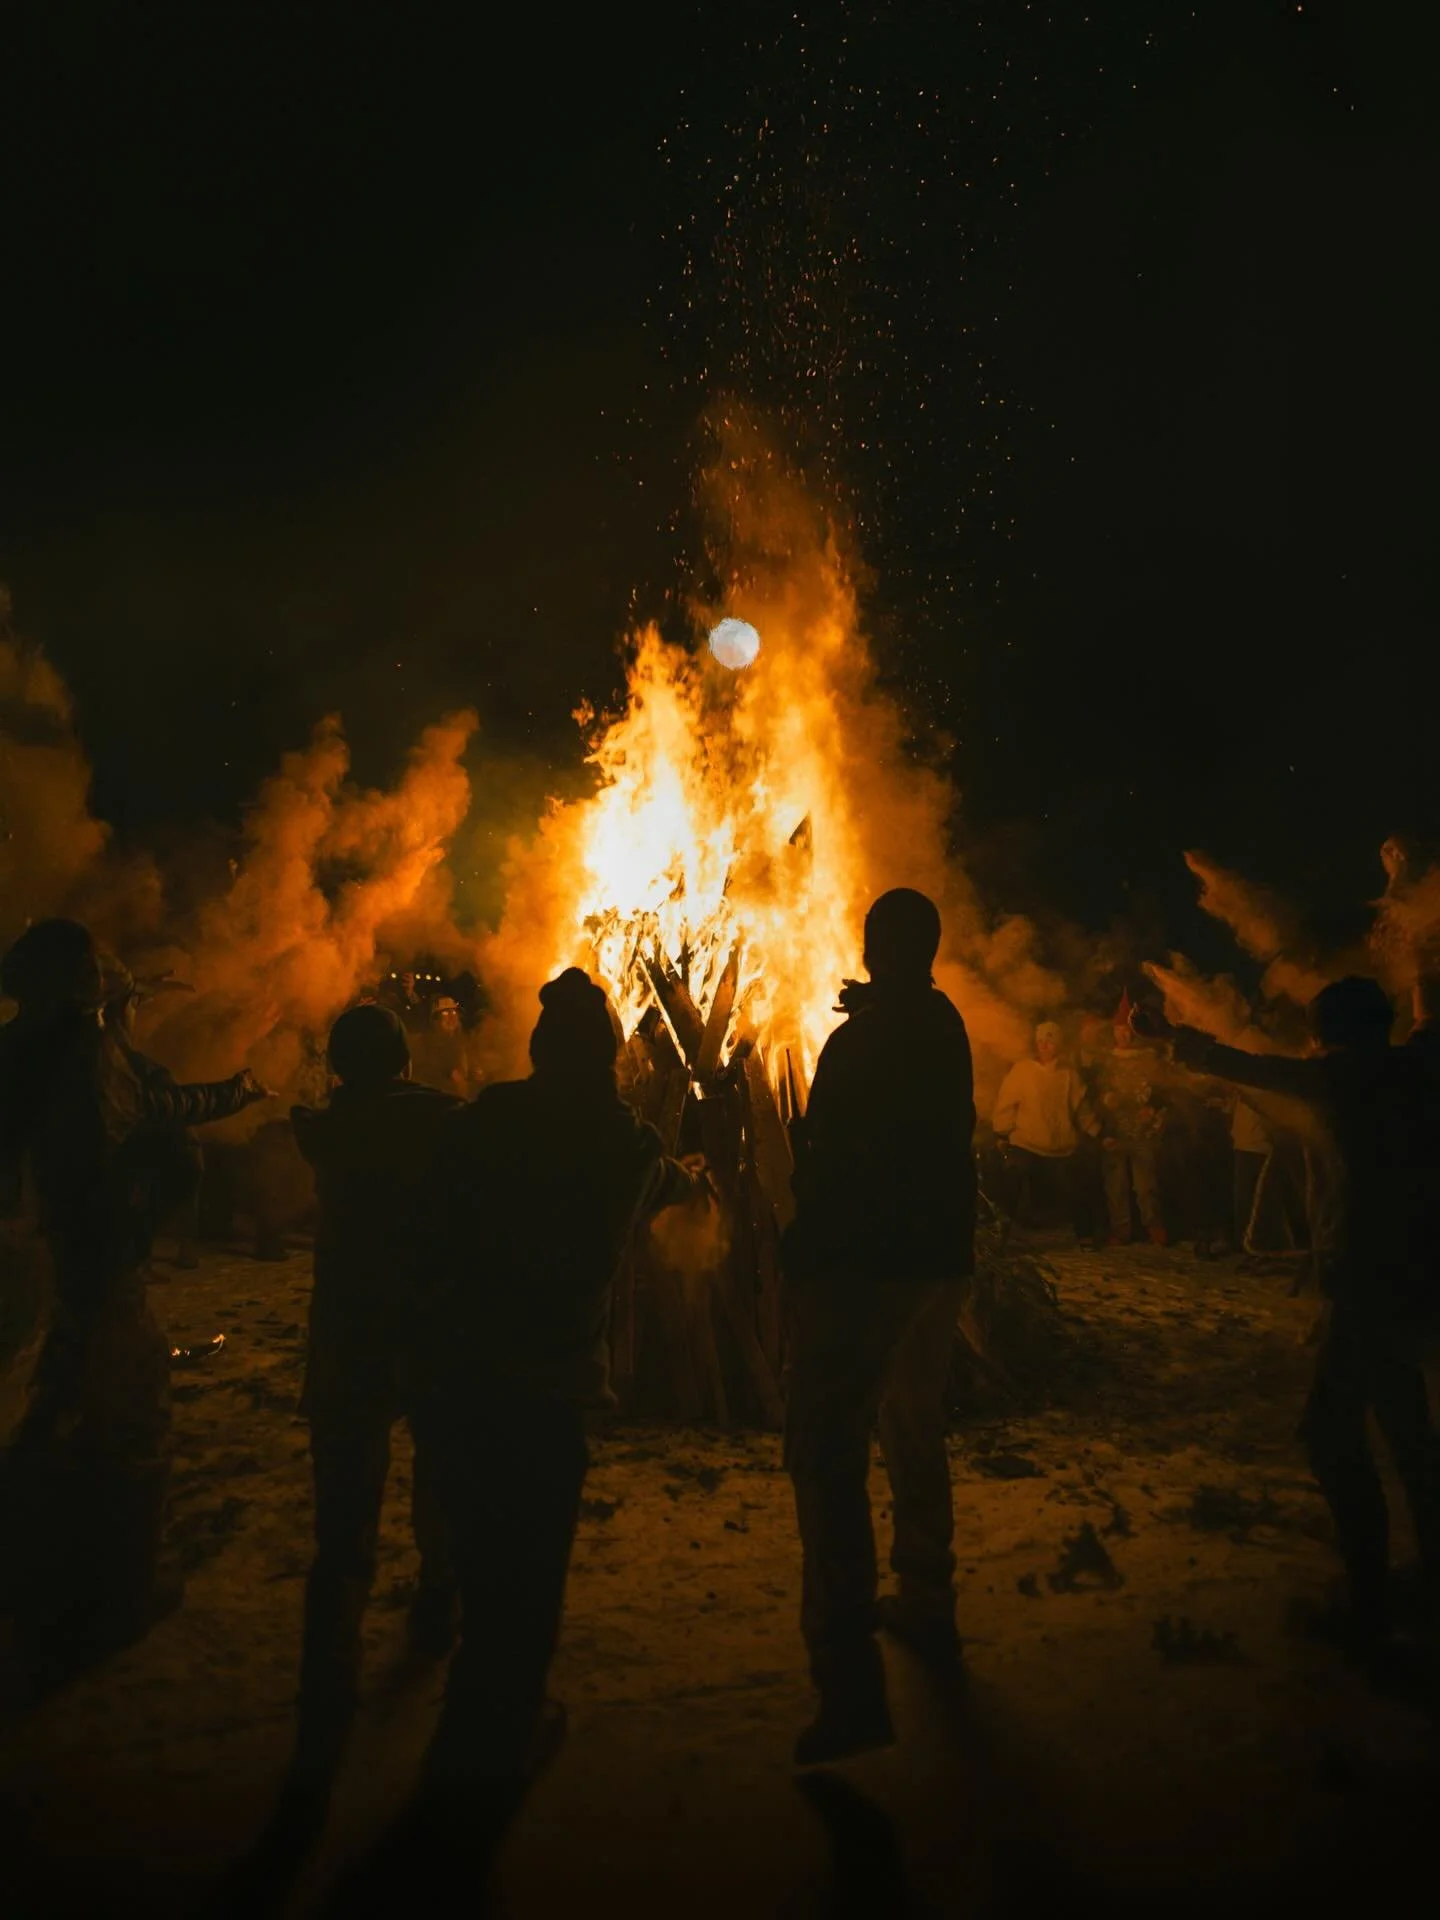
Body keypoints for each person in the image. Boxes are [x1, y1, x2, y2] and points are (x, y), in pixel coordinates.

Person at [416, 968, 703, 1825]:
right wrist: (695, 1179)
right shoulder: (626, 1145)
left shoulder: (486, 1123)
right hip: (549, 1384)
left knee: (481, 1546)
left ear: (541, 1052)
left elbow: (435, 1208)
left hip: (467, 1370)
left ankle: (471, 1723)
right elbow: (666, 1178)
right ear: (611, 1059)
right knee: (530, 1567)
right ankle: (500, 1735)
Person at [0, 919, 269, 1682]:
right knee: (129, 1424)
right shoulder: (86, 1060)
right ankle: (116, 1599)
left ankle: (30, 1582)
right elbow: (154, 1118)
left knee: (49, 1418)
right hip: (89, 1271)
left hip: (35, 1265)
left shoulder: (19, 1048)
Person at [1171, 977, 1440, 1662]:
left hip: (1366, 1281)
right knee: (1410, 1430)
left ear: (1330, 1036)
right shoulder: (1416, 1067)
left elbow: (1252, 1068)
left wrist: (1171, 1040)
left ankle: (1370, 1608)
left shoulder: (1347, 1079)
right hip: (1413, 1275)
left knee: (1329, 1434)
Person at [782, 888, 977, 1765]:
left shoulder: (861, 1041)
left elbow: (826, 1151)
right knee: (913, 1423)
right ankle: (928, 1602)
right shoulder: (944, 1024)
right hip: (940, 1261)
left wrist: (805, 1246)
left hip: (870, 1267)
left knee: (827, 1454)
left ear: (873, 949)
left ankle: (850, 1685)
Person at [273, 1005, 465, 1837]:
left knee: (343, 1521)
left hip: (350, 1335)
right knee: (440, 1476)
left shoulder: (329, 1126)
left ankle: (331, 1681)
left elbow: (310, 1122)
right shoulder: (437, 1117)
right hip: (424, 1331)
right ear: (403, 1056)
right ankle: (437, 1601)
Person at [991, 1020, 1099, 1245]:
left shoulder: (1069, 1074)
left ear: (1058, 1045)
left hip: (1061, 1146)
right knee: (1013, 1176)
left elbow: (1080, 1108)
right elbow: (1006, 1104)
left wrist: (1098, 1131)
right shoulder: (1022, 1070)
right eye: (1040, 1041)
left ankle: (1086, 1233)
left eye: (1049, 1041)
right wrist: (1001, 1133)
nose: (1044, 1046)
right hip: (1026, 1142)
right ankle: (998, 1232)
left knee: (1079, 1182)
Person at [1099, 991, 1168, 1246]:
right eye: (1120, 1030)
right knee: (1115, 1186)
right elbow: (1094, 1092)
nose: (1124, 1035)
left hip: (1144, 1131)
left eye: (1128, 1030)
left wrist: (1153, 1106)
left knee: (1146, 1185)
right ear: (1114, 1032)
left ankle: (1154, 1227)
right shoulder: (1105, 1060)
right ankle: (1121, 1230)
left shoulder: (1149, 1058)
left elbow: (1164, 1089)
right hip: (1114, 1130)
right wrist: (1104, 1102)